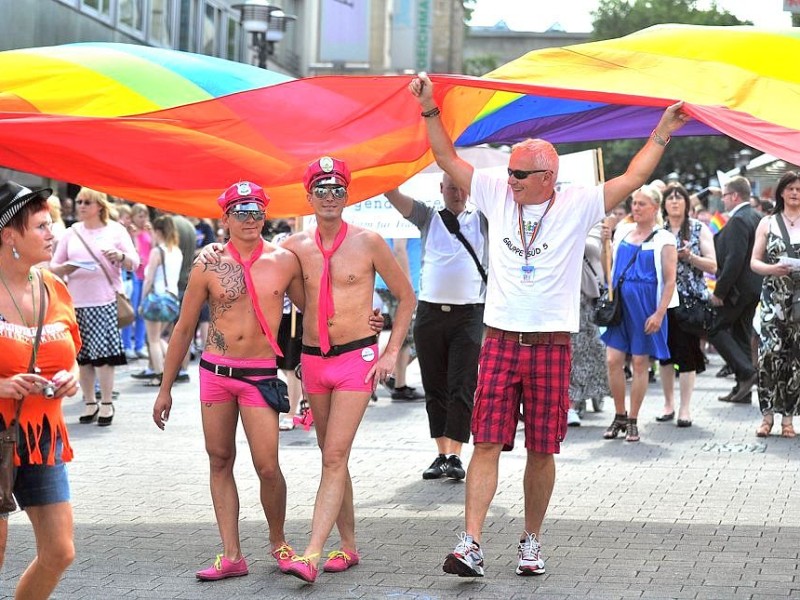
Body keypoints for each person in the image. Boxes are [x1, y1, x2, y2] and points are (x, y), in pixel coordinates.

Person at [409, 72, 688, 578]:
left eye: (519, 173)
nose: (509, 179)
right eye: (510, 172)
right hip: (498, 339)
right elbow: (447, 159)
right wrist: (430, 108)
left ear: (546, 178)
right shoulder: (495, 192)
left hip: (550, 345)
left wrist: (663, 130)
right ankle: (470, 542)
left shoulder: (578, 203)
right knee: (486, 441)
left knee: (542, 448)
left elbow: (632, 179)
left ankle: (530, 542)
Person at [153, 182, 305, 581]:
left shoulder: (284, 260)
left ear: (265, 215)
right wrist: (165, 387)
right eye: (241, 211)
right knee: (220, 460)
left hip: (258, 375)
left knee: (268, 465)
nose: (250, 218)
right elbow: (184, 328)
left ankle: (279, 542)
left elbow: (319, 310)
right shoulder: (207, 263)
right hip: (215, 374)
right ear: (226, 218)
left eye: (256, 211)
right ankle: (232, 554)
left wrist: (368, 324)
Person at [278, 156, 415, 584]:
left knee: (335, 455)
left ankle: (312, 552)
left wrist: (391, 350)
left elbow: (406, 298)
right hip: (314, 361)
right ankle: (350, 546)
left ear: (347, 195)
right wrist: (217, 248)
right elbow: (264, 274)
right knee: (331, 457)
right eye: (322, 189)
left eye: (337, 189)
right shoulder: (294, 247)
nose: (330, 196)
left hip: (357, 359)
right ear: (309, 196)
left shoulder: (369, 241)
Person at [0, 180, 81, 598]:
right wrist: (3, 384)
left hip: (42, 437)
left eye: (53, 224)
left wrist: (70, 377)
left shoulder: (54, 286)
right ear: (9, 235)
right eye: (42, 227)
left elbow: (70, 354)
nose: (54, 234)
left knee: (59, 551)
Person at [385, 173, 487, 480]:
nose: (456, 193)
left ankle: (455, 454)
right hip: (430, 314)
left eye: (461, 187)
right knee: (435, 385)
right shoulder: (428, 216)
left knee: (462, 384)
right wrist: (385, 171)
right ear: (441, 189)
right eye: (450, 187)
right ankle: (441, 453)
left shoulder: (483, 219)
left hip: (469, 314)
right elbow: (394, 195)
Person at [51, 187, 138, 426]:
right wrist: (66, 268)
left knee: (104, 357)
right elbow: (52, 266)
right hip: (75, 302)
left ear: (99, 205)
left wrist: (119, 257)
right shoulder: (72, 233)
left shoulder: (115, 230)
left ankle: (107, 402)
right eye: (79, 201)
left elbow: (135, 262)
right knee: (83, 357)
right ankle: (89, 400)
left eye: (86, 202)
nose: (80, 206)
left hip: (105, 300)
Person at [601, 185, 678, 443]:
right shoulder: (622, 231)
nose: (636, 208)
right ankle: (619, 414)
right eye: (634, 203)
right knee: (613, 360)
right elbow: (608, 268)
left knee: (639, 363)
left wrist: (659, 313)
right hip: (621, 306)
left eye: (642, 204)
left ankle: (633, 418)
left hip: (646, 307)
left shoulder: (664, 238)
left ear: (655, 208)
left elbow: (669, 280)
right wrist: (604, 243)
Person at [656, 183, 717, 427]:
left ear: (686, 203)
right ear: (663, 205)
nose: (674, 202)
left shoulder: (698, 229)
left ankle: (685, 408)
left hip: (689, 300)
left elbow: (713, 265)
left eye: (678, 198)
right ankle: (668, 403)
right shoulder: (658, 231)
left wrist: (690, 257)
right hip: (662, 299)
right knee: (664, 354)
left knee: (688, 353)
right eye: (669, 198)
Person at [750, 171, 800, 437]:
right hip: (773, 298)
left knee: (795, 359)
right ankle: (766, 415)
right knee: (769, 354)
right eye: (790, 188)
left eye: (799, 189)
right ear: (781, 192)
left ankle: (788, 419)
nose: (795, 193)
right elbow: (754, 262)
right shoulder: (767, 223)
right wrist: (772, 268)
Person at [709, 176, 763, 404]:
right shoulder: (756, 216)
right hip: (753, 288)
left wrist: (720, 291)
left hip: (738, 290)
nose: (723, 201)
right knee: (741, 334)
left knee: (714, 329)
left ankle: (747, 372)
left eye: (724, 196)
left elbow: (734, 259)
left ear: (734, 196)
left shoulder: (740, 219)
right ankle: (742, 388)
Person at [568, 222, 610, 426]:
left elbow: (605, 262)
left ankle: (572, 404)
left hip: (585, 298)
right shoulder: (552, 221)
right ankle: (568, 403)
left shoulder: (597, 226)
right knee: (567, 351)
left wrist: (606, 239)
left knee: (582, 351)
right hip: (560, 294)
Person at [140, 215, 183, 386]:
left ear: (158, 231)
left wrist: (142, 299)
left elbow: (149, 279)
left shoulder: (157, 252)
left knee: (153, 340)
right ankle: (172, 368)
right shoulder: (176, 251)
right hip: (172, 299)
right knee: (160, 338)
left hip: (157, 298)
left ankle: (159, 374)